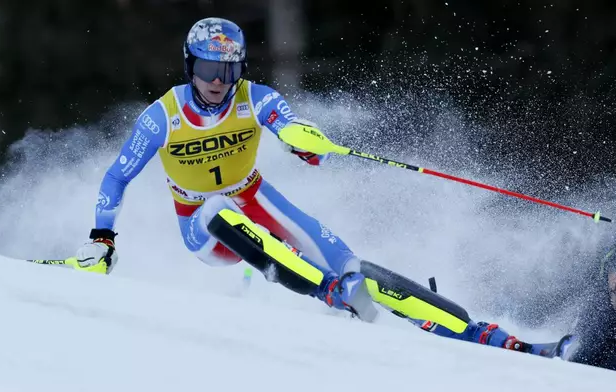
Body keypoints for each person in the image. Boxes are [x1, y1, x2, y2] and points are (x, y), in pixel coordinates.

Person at [73, 16, 538, 353]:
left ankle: (481, 334)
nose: (219, 82)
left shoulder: (254, 98)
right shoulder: (162, 117)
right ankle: (327, 292)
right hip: (201, 224)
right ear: (189, 66)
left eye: (229, 71)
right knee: (220, 212)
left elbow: (289, 123)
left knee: (353, 267)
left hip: (256, 197)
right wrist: (102, 238)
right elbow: (118, 177)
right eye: (209, 70)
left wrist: (304, 143)